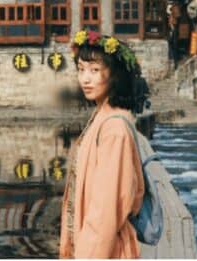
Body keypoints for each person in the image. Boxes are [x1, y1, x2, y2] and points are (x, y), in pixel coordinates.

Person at [59, 30, 150, 259]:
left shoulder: (114, 128)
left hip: (106, 250)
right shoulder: (103, 116)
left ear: (115, 75)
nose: (85, 79)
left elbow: (106, 209)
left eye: (95, 70)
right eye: (81, 70)